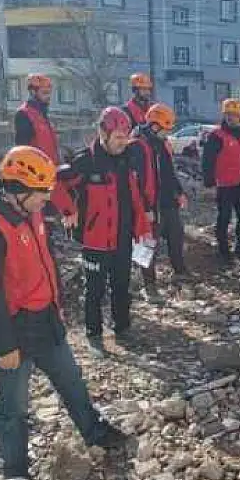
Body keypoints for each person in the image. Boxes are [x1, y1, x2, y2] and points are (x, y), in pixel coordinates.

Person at [0, 146, 135, 480]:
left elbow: (45, 261)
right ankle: (15, 471)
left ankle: (94, 431)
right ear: (17, 189)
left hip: (44, 316)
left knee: (71, 380)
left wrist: (56, 305)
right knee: (14, 406)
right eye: (42, 193)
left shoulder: (26, 209)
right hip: (10, 328)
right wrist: (3, 345)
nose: (46, 200)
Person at [54, 107, 153, 355]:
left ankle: (122, 329)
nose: (123, 142)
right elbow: (54, 182)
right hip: (95, 238)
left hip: (123, 235)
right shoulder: (86, 161)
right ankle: (94, 334)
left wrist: (144, 220)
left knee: (122, 284)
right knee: (94, 289)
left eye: (125, 137)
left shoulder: (128, 156)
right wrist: (68, 211)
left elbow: (137, 191)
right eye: (118, 137)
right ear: (103, 133)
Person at [129, 102, 189, 301]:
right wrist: (144, 208)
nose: (167, 133)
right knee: (147, 247)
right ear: (154, 126)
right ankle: (149, 286)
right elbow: (134, 181)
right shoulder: (137, 145)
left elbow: (169, 171)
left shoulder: (162, 144)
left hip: (167, 201)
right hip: (149, 205)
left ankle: (180, 272)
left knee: (176, 237)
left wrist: (179, 192)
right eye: (165, 129)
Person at [202, 98, 240, 264]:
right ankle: (223, 251)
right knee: (224, 218)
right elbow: (207, 161)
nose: (231, 117)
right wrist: (209, 184)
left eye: (234, 114)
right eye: (228, 114)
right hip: (224, 185)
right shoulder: (216, 136)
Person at [14, 73, 69, 211]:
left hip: (51, 177)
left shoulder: (42, 114)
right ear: (33, 92)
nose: (48, 96)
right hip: (37, 181)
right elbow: (23, 153)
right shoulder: (24, 115)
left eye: (49, 93)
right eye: (44, 93)